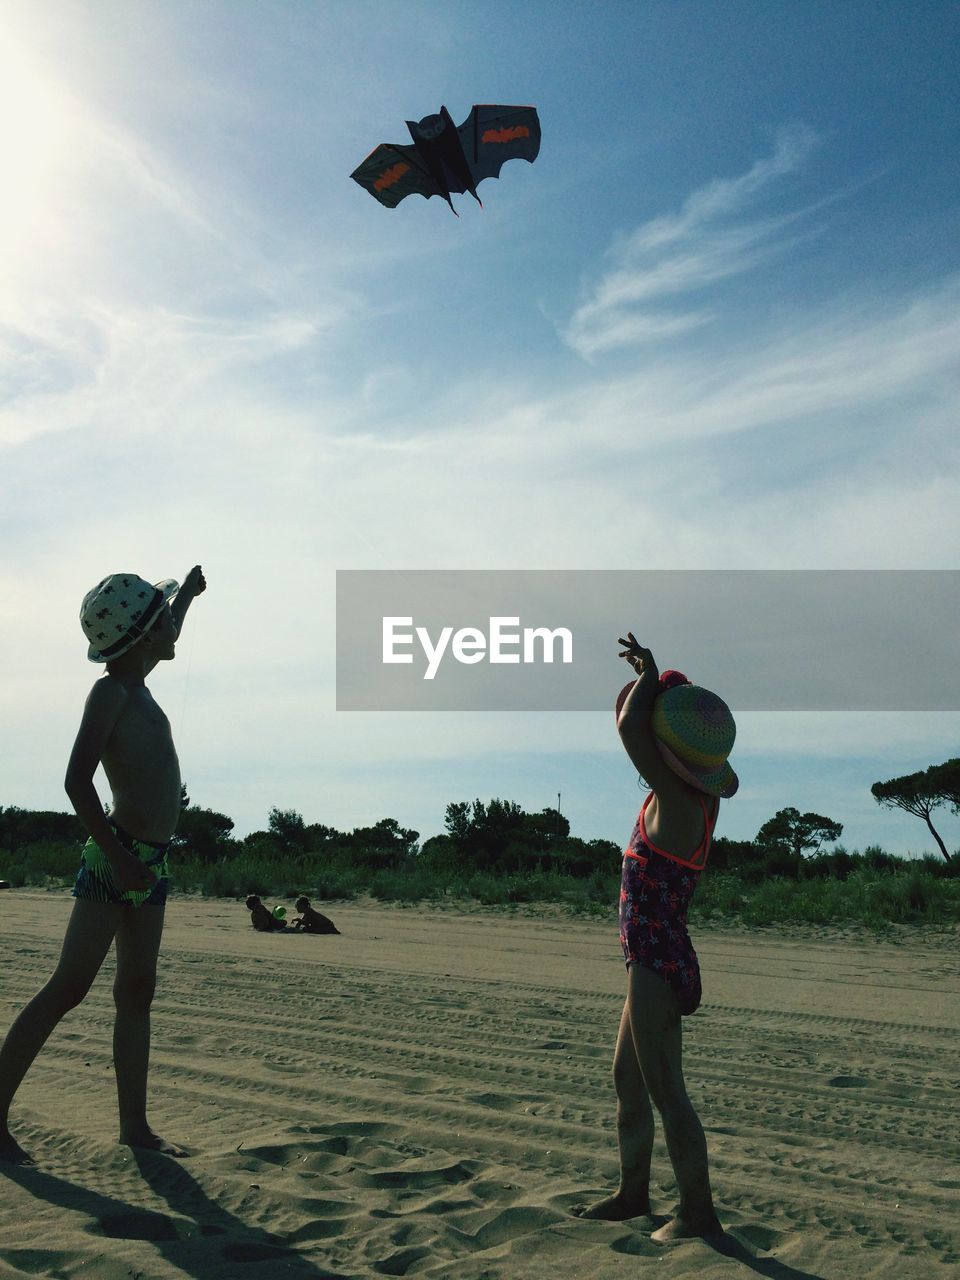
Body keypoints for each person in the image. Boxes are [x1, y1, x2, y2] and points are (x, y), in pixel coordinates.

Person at [0, 567, 206, 1165]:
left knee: (137, 991)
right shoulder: (111, 693)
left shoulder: (139, 682)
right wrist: (117, 857)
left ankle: (135, 1128)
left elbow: (163, 638)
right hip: (112, 860)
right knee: (68, 987)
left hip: (151, 864)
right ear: (140, 636)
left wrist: (185, 599)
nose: (173, 632)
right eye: (163, 620)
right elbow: (76, 780)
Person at [578, 632, 737, 1241]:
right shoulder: (692, 796)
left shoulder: (676, 799)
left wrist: (647, 674)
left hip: (655, 962)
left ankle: (699, 1214)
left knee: (669, 1093)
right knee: (628, 1079)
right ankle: (633, 1193)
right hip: (652, 959)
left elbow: (627, 731)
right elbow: (637, 735)